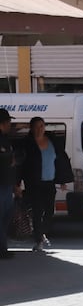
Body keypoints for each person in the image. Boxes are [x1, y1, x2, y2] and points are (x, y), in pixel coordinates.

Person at [17, 116, 71, 253]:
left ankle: (41, 232)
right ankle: (38, 240)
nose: (40, 129)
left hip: (50, 182)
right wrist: (17, 184)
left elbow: (60, 161)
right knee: (37, 211)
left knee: (49, 211)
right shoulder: (26, 144)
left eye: (42, 126)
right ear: (31, 128)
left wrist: (63, 180)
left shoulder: (52, 141)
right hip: (34, 183)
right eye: (36, 126)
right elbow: (20, 165)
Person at [0, 108, 18, 260]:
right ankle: (2, 248)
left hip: (6, 184)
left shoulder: (5, 138)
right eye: (8, 122)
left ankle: (3, 246)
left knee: (6, 216)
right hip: (1, 184)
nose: (10, 125)